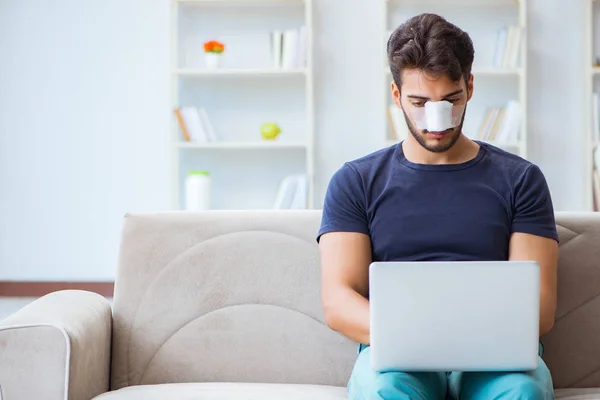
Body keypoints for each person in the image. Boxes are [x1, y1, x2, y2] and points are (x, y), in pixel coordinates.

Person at [316, 13, 559, 400]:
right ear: (396, 96)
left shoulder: (520, 179)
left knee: (521, 391)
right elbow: (338, 300)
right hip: (397, 353)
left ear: (470, 87)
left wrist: (461, 339)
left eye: (450, 100)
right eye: (418, 102)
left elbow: (540, 309)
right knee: (385, 391)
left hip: (494, 354)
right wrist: (420, 337)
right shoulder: (356, 181)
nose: (436, 122)